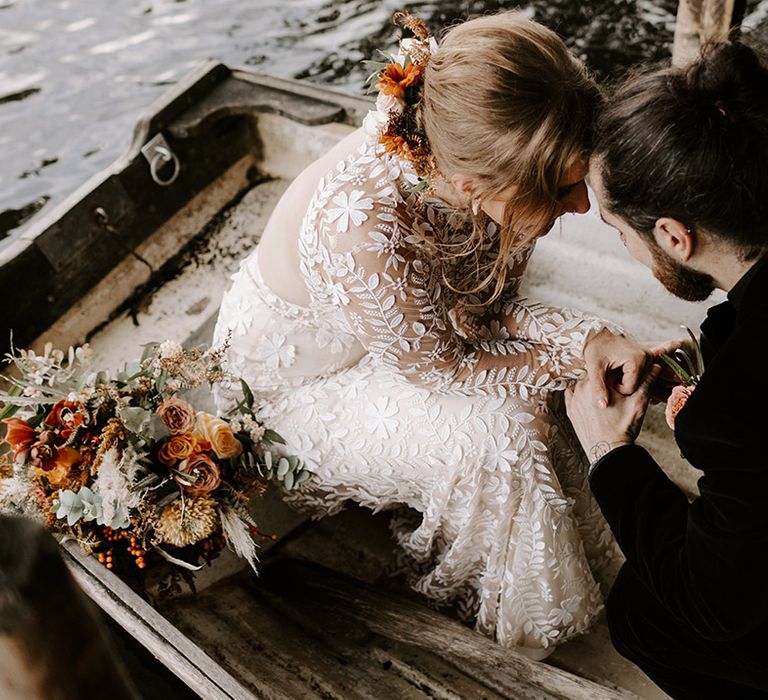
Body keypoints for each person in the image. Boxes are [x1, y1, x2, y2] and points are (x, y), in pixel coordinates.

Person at [214, 11, 646, 656]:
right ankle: (521, 624)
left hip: (398, 337)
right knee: (497, 434)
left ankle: (587, 545)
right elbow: (447, 364)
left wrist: (586, 341)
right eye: (562, 190)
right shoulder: (363, 231)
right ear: (474, 187)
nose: (581, 206)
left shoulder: (470, 150)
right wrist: (572, 353)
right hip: (293, 395)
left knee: (539, 383)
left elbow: (479, 307)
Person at [566, 41, 768, 697]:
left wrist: (607, 451)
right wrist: (690, 364)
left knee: (643, 613)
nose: (622, 246)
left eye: (619, 230)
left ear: (676, 237)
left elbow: (713, 601)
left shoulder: (737, 411)